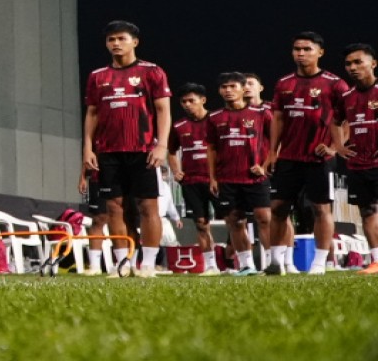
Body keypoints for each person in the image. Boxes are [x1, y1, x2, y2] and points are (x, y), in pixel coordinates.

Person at [82, 20, 172, 278]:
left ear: (135, 41)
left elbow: (163, 110)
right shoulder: (97, 76)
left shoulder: (152, 71)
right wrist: (88, 149)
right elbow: (92, 114)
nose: (116, 44)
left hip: (142, 148)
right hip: (108, 152)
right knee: (114, 208)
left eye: (121, 38)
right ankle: (122, 264)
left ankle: (148, 264)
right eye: (111, 40)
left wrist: (162, 145)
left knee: (147, 207)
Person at [265, 32, 350, 275]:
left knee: (321, 209)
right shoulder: (284, 84)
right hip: (289, 158)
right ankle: (275, 262)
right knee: (279, 207)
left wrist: (335, 146)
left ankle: (319, 263)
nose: (300, 54)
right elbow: (278, 119)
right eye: (296, 49)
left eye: (307, 49)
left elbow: (347, 118)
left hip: (319, 159)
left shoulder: (335, 84)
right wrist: (273, 152)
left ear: (320, 52)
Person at [206, 72, 273, 276]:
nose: (228, 91)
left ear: (243, 89)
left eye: (232, 86)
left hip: (255, 177)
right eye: (224, 87)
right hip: (227, 178)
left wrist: (265, 165)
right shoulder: (214, 118)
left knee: (264, 218)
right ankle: (246, 265)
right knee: (234, 221)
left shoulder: (262, 114)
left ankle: (272, 263)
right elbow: (211, 149)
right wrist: (212, 177)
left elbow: (276, 142)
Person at [244, 70, 299, 272]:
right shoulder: (237, 113)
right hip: (249, 173)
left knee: (281, 213)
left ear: (261, 87)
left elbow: (282, 137)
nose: (246, 87)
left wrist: (267, 162)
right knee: (262, 218)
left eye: (251, 83)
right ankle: (271, 261)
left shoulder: (270, 110)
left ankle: (288, 261)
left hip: (273, 168)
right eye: (244, 84)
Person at [168, 82, 220, 274]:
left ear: (203, 100)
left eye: (192, 100)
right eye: (183, 101)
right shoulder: (179, 126)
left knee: (235, 219)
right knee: (200, 223)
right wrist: (176, 171)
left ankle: (242, 261)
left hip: (217, 180)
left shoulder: (217, 120)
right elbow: (171, 151)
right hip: (191, 182)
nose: (187, 104)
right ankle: (211, 265)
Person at [337, 43, 378, 275]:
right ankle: (376, 261)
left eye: (358, 62)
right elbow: (335, 122)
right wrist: (339, 147)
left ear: (373, 63)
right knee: (367, 211)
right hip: (358, 164)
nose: (352, 67)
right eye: (348, 64)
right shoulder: (347, 97)